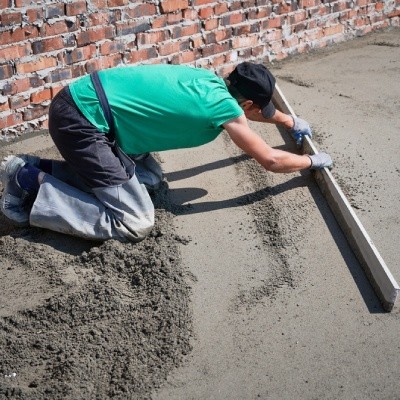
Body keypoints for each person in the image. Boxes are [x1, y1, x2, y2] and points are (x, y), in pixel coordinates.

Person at [0, 62, 332, 242]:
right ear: (246, 104)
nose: (263, 114)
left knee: (149, 178)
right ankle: (28, 180)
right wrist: (311, 161)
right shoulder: (225, 110)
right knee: (135, 221)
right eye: (261, 109)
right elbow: (270, 160)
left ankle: (29, 168)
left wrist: (289, 121)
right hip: (84, 124)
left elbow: (259, 112)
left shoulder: (208, 81)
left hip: (83, 102)